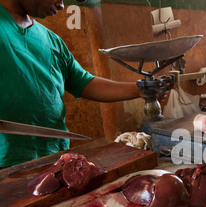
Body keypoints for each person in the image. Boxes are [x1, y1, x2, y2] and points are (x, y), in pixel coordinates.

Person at [0, 0, 144, 168]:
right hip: (6, 165)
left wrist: (140, 89)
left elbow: (83, 82)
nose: (62, 5)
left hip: (54, 158)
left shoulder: (51, 40)